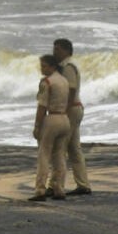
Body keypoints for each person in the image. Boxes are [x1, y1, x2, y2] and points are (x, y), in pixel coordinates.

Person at [49, 37, 92, 196]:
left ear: (67, 51)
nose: (54, 52)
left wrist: (64, 111)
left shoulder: (68, 67)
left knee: (59, 147)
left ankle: (54, 185)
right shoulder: (67, 66)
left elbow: (71, 89)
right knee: (74, 148)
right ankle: (83, 184)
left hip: (71, 110)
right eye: (54, 49)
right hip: (75, 109)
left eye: (58, 49)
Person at [29, 54, 70, 202]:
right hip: (65, 119)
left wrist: (37, 125)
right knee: (59, 155)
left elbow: (42, 106)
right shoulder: (64, 81)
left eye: (44, 66)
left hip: (52, 118)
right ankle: (59, 188)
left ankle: (40, 189)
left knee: (44, 154)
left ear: (52, 66)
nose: (42, 68)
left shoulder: (47, 82)